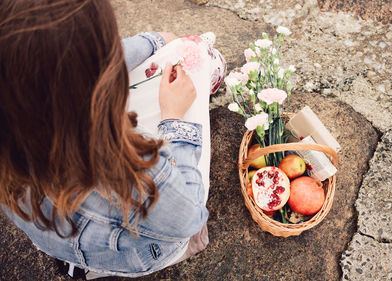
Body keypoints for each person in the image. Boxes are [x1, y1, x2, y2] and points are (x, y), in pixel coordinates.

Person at [0, 0, 225, 279]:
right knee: (193, 83)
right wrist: (174, 118)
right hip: (142, 251)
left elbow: (73, 61)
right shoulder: (126, 167)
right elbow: (188, 218)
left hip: (58, 234)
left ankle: (82, 263)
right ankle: (178, 250)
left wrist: (153, 41)